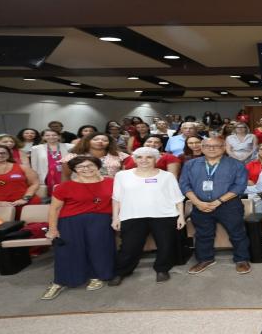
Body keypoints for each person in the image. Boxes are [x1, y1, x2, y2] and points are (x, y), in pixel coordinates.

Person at [40, 156, 115, 300]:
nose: (86, 169)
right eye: (81, 167)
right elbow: (54, 209)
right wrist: (53, 229)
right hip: (70, 222)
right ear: (74, 169)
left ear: (98, 166)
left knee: (100, 249)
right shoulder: (64, 186)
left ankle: (97, 276)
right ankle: (62, 280)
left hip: (102, 220)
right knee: (68, 251)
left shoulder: (112, 182)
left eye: (90, 165)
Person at [108, 147, 186, 285]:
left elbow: (177, 198)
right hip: (132, 216)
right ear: (134, 159)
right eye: (139, 157)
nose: (144, 160)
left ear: (156, 159)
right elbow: (116, 198)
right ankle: (121, 271)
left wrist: (181, 216)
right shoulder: (122, 175)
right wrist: (115, 217)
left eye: (149, 157)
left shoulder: (167, 176)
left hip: (164, 215)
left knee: (165, 245)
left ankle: (162, 269)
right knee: (129, 247)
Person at [179, 138, 252, 275]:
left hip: (229, 205)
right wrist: (197, 202)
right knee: (202, 234)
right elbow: (184, 185)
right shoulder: (190, 164)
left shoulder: (236, 164)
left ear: (224, 147)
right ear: (201, 147)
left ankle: (242, 259)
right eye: (207, 146)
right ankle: (205, 259)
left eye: (216, 146)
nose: (211, 149)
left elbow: (239, 186)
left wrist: (218, 201)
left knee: (237, 233)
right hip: (200, 205)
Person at [62, 133, 130, 180]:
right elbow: (66, 176)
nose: (100, 141)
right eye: (95, 139)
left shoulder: (120, 155)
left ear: (109, 143)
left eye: (105, 140)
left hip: (111, 188)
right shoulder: (73, 156)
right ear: (87, 141)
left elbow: (126, 174)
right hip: (81, 188)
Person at [30, 129, 74, 195]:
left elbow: (73, 159)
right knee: (49, 195)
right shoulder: (36, 148)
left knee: (66, 192)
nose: (51, 137)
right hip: (46, 174)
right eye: (47, 135)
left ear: (59, 136)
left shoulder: (70, 146)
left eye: (54, 135)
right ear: (43, 137)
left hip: (64, 174)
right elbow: (34, 165)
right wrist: (35, 178)